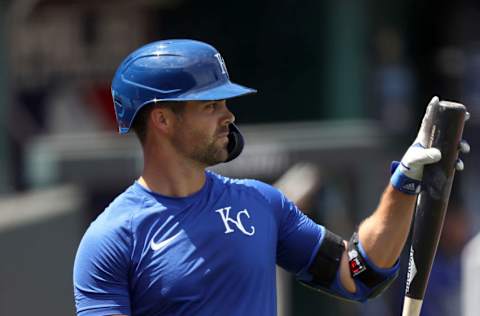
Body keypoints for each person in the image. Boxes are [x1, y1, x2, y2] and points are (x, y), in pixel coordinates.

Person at [73, 39, 469, 316]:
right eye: (210, 105)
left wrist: (403, 186)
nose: (227, 116)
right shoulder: (111, 238)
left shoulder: (261, 203)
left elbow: (359, 275)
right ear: (161, 119)